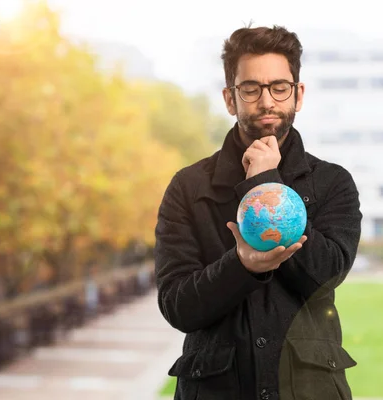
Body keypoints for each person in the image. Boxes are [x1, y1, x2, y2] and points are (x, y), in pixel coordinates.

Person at [154, 24, 362, 400]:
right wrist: (241, 266)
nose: (267, 101)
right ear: (230, 99)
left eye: (279, 87)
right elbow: (177, 305)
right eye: (251, 89)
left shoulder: (333, 183)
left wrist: (265, 183)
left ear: (298, 95)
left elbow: (325, 278)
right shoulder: (188, 187)